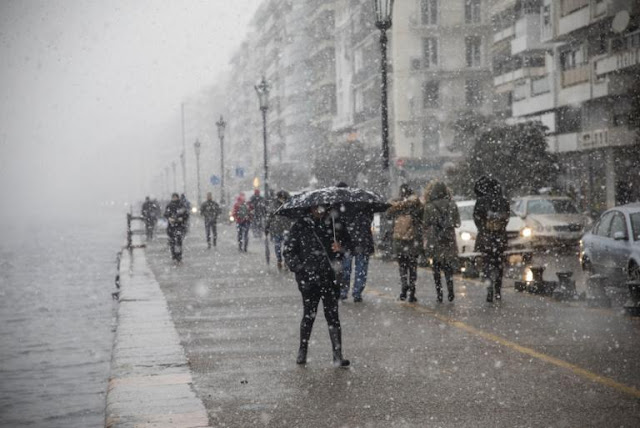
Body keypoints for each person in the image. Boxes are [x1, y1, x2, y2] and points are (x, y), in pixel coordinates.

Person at [283, 204, 351, 367]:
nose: (319, 211)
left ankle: (337, 355)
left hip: (330, 277)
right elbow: (289, 251)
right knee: (309, 315)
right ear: (310, 208)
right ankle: (302, 350)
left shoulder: (335, 223)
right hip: (309, 279)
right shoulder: (300, 226)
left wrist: (340, 248)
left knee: (333, 317)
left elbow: (350, 246)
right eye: (316, 208)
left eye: (322, 208)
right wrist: (299, 268)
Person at [335, 183, 375, 303]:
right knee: (360, 269)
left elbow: (338, 225)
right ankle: (357, 293)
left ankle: (343, 292)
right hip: (363, 241)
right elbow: (369, 220)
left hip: (347, 242)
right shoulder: (364, 204)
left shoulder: (340, 206)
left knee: (346, 269)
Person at [473, 176, 510, 302]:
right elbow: (506, 218)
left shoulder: (481, 201)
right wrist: (500, 228)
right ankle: (498, 291)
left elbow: (476, 218)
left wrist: (483, 229)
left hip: (486, 237)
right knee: (499, 264)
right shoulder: (503, 200)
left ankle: (489, 290)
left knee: (487, 264)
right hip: (500, 237)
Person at [423, 181, 460, 302]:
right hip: (448, 239)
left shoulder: (429, 206)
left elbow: (425, 223)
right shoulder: (452, 205)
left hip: (435, 239)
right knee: (448, 267)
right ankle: (451, 291)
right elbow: (457, 223)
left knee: (436, 267)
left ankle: (439, 294)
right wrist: (447, 225)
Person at [387, 184, 423, 302]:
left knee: (402, 266)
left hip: (399, 241)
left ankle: (403, 288)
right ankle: (412, 292)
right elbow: (422, 218)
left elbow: (388, 216)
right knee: (412, 267)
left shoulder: (397, 206)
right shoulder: (417, 206)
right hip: (413, 241)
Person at [265, 190, 293, 271]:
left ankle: (286, 261)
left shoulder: (289, 204)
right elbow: (269, 216)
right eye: (281, 197)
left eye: (283, 197)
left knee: (287, 246)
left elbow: (293, 216)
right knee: (277, 245)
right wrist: (267, 227)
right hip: (277, 228)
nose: (282, 198)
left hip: (287, 228)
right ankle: (279, 260)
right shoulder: (273, 204)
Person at [164, 193, 189, 264]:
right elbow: (165, 214)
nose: (174, 198)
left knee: (179, 242)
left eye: (175, 197)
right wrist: (169, 218)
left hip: (180, 226)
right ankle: (174, 256)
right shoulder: (169, 205)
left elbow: (186, 215)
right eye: (173, 197)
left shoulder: (181, 205)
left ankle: (179, 257)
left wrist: (182, 219)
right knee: (172, 242)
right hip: (171, 227)